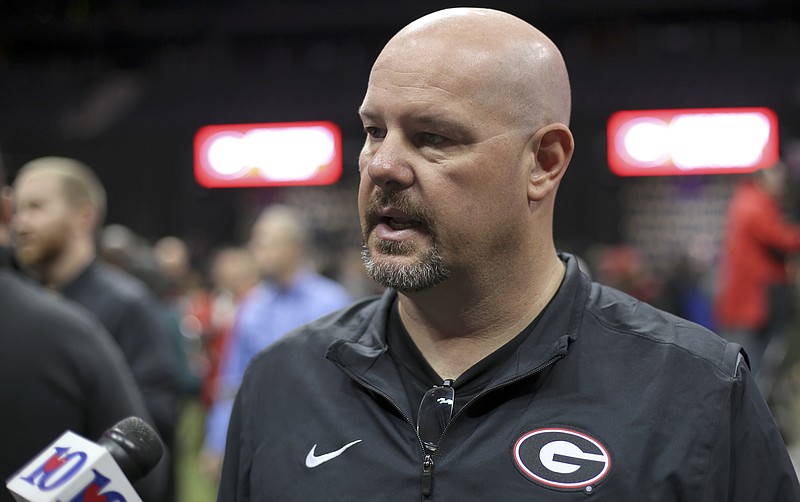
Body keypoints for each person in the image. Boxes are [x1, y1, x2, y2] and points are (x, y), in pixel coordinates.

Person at [218, 8, 799, 501]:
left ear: (544, 163)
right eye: (374, 131)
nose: (382, 166)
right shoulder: (281, 382)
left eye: (433, 138)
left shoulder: (694, 391)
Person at [11, 156, 180, 500]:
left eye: (36, 207)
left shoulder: (127, 305)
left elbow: (152, 429)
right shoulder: (21, 308)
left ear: (82, 215)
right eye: (16, 209)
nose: (21, 223)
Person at [203, 205, 352, 481]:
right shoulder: (251, 306)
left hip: (319, 442)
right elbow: (231, 380)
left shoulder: (332, 303)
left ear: (294, 248)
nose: (254, 249)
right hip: (262, 441)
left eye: (263, 242)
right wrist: (217, 441)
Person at [714, 161, 800, 395]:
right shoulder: (753, 204)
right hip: (754, 300)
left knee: (753, 364)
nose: (783, 183)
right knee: (752, 367)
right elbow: (782, 238)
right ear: (764, 178)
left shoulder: (749, 200)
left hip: (754, 299)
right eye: (778, 177)